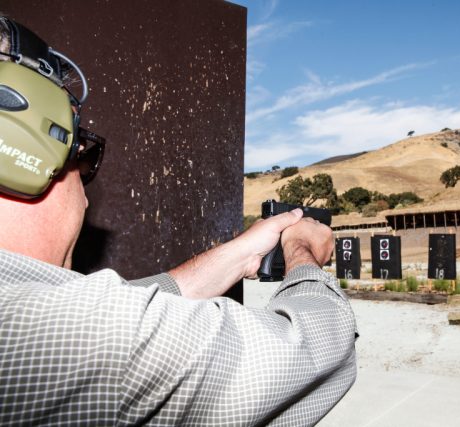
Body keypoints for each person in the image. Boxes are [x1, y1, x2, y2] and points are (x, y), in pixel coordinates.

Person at [0, 17, 357, 426]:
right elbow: (318, 349)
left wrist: (240, 254)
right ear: (20, 147)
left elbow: (131, 302)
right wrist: (302, 251)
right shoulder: (80, 336)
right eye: (80, 156)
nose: (83, 195)